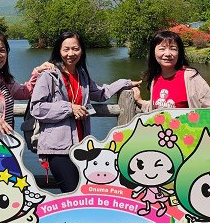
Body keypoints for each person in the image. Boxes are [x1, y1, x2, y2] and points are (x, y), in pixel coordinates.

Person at [29, 31, 139, 193]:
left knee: (82, 193)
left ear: (82, 50)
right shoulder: (49, 76)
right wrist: (69, 108)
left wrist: (125, 83)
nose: (71, 53)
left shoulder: (82, 75)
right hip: (57, 148)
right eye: (66, 49)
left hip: (81, 146)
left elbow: (100, 93)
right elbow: (36, 108)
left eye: (75, 49)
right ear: (59, 51)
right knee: (71, 192)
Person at [132, 30, 210, 111]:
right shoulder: (155, 78)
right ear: (154, 53)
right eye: (162, 49)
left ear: (179, 53)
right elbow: (157, 109)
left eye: (173, 49)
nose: (167, 54)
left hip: (188, 140)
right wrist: (140, 101)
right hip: (164, 141)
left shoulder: (190, 76)